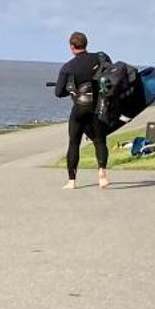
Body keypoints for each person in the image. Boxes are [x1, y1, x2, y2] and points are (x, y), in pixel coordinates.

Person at [52, 31, 110, 190]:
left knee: (74, 142)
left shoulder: (68, 67)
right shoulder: (99, 58)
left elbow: (58, 93)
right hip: (97, 107)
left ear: (72, 47)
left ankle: (71, 181)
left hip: (79, 108)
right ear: (86, 44)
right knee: (99, 141)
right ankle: (102, 173)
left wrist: (70, 90)